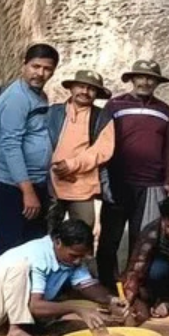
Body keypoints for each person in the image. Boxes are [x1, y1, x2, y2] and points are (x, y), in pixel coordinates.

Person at [0, 219, 129, 336]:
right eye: (74, 255)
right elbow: (35, 306)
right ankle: (16, 332)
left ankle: (27, 327)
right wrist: (76, 309)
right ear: (57, 242)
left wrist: (111, 299)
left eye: (81, 256)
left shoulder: (70, 259)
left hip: (4, 309)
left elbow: (88, 286)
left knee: (67, 301)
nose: (78, 261)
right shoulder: (39, 255)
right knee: (19, 266)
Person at [96, 59, 169, 288]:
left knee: (143, 239)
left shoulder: (165, 110)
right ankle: (106, 283)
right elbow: (102, 142)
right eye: (141, 76)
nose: (146, 81)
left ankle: (134, 285)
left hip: (151, 184)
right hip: (119, 181)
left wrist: (166, 180)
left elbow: (167, 146)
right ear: (132, 79)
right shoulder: (114, 105)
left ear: (157, 82)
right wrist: (103, 178)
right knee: (111, 237)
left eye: (151, 78)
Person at [0, 44, 59, 260]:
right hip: (15, 187)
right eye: (35, 66)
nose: (40, 73)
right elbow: (10, 145)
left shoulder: (39, 96)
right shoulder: (16, 98)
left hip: (35, 182)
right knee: (8, 246)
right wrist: (27, 191)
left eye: (47, 68)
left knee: (32, 245)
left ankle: (27, 292)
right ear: (24, 65)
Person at [47, 70, 115, 228]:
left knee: (82, 235)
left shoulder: (102, 117)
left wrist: (71, 166)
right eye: (81, 86)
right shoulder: (54, 112)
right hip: (52, 183)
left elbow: (101, 151)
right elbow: (43, 144)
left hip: (82, 186)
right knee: (48, 235)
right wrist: (56, 169)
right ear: (71, 88)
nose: (85, 92)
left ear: (97, 93)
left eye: (91, 89)